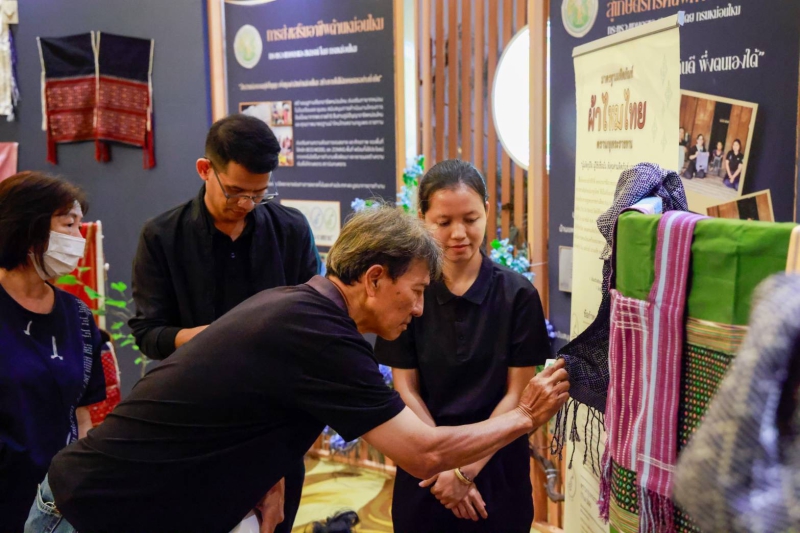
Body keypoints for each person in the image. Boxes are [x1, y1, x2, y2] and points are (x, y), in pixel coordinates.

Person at [25, 206, 569, 533]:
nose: (421, 309)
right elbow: (422, 453)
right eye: (417, 291)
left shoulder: (307, 309)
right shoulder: (320, 334)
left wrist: (270, 478)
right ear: (374, 279)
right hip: (91, 511)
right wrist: (525, 417)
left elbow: (260, 409)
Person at [127, 114, 319, 533]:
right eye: (235, 192)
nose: (246, 204)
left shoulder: (290, 230)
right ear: (205, 169)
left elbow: (317, 321)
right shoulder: (162, 237)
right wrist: (213, 341)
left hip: (274, 418)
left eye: (259, 194)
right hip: (194, 420)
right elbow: (148, 333)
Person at [375, 160, 550, 533]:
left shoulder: (518, 295)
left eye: (470, 219)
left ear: (486, 211)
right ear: (422, 218)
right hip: (425, 469)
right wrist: (441, 463)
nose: (459, 234)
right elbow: (405, 388)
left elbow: (518, 396)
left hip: (495, 467)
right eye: (443, 222)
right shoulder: (408, 291)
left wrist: (463, 471)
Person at [0, 173, 106, 533]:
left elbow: (83, 416)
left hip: (57, 502)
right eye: (68, 224)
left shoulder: (77, 315)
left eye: (80, 225)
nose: (78, 238)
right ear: (28, 228)